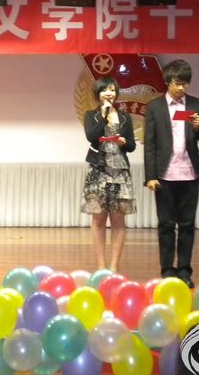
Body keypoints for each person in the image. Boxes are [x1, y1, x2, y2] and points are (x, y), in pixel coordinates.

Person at [144, 59, 199, 289]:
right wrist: (150, 176)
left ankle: (184, 270)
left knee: (187, 224)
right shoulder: (155, 107)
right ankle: (167, 270)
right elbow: (150, 144)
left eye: (185, 83)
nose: (182, 88)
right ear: (168, 81)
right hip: (164, 174)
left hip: (189, 173)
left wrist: (198, 127)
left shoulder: (196, 104)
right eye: (177, 83)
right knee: (165, 224)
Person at [81, 76, 136, 273]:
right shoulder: (91, 115)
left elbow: (132, 145)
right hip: (98, 171)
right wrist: (104, 116)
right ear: (98, 94)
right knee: (98, 219)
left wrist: (123, 142)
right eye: (105, 90)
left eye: (112, 90)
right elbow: (92, 137)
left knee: (118, 220)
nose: (109, 93)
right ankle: (101, 266)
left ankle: (114, 266)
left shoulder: (124, 117)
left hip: (120, 172)